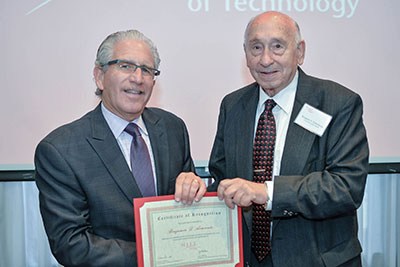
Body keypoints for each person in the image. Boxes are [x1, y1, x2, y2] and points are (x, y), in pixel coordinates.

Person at [208, 11, 369, 267]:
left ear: (300, 52)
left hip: (317, 260)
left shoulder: (338, 103)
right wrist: (196, 189)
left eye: (277, 47)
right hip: (249, 260)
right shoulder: (233, 105)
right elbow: (221, 177)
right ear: (245, 54)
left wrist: (267, 192)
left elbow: (346, 187)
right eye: (256, 48)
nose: (265, 59)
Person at [34, 30, 206, 267]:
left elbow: (186, 210)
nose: (138, 78)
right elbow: (71, 244)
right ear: (100, 76)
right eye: (126, 66)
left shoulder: (172, 128)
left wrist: (195, 189)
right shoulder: (61, 150)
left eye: (147, 70)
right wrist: (158, 255)